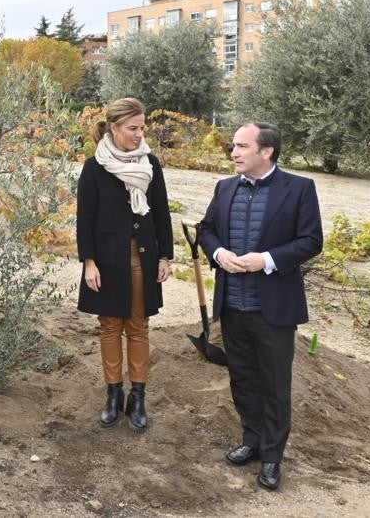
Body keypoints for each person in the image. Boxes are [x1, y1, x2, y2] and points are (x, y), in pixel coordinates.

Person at [196, 122, 322, 491]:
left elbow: (311, 240)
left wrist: (265, 259)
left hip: (275, 309)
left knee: (275, 385)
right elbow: (206, 230)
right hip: (233, 305)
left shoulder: (299, 189)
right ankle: (251, 440)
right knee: (243, 379)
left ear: (266, 151)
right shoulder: (224, 188)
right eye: (233, 146)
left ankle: (272, 456)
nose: (233, 152)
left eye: (240, 146)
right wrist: (219, 253)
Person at [75, 98, 173, 433]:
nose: (139, 133)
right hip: (105, 261)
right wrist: (89, 262)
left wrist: (165, 257)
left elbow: (161, 213)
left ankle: (139, 398)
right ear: (114, 128)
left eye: (142, 127)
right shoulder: (94, 167)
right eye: (133, 128)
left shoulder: (150, 164)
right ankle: (113, 396)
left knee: (138, 326)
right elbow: (84, 220)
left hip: (142, 258)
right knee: (109, 327)